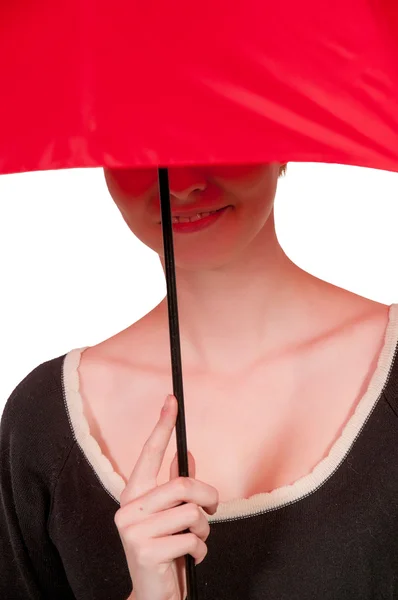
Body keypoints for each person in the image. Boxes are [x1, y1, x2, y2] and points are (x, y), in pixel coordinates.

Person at [2, 162, 398, 600]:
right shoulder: (43, 423)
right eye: (140, 148)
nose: (185, 185)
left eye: (219, 140)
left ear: (285, 143)